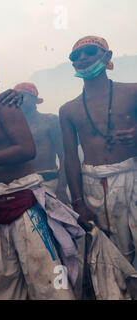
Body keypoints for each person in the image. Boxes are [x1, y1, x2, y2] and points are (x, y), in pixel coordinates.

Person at [0, 62, 84, 299]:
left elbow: (27, 149)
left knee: (46, 278)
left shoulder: (5, 107)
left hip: (23, 204)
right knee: (0, 282)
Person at [59, 36, 137, 264]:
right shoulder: (68, 110)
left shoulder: (132, 92)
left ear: (108, 56)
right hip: (95, 186)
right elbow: (71, 158)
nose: (82, 58)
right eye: (75, 56)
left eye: (90, 51)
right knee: (113, 255)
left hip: (133, 174)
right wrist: (78, 202)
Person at [14, 82, 69, 203]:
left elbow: (64, 155)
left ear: (34, 99)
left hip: (49, 181)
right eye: (16, 97)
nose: (19, 100)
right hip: (22, 184)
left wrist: (61, 188)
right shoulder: (13, 127)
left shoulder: (50, 121)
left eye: (23, 96)